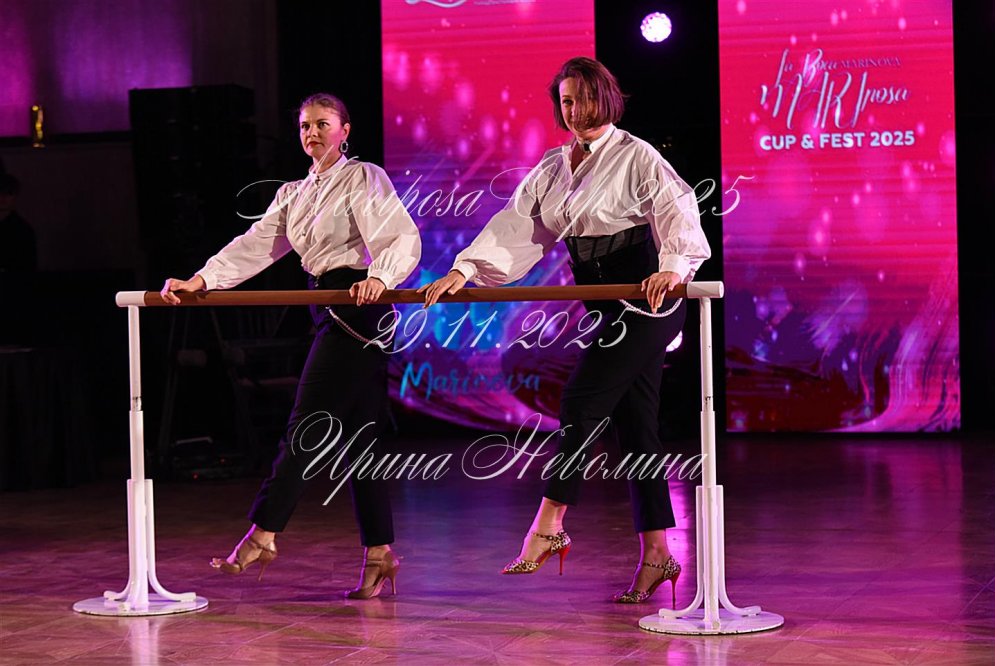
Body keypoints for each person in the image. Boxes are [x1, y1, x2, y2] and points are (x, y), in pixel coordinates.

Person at [419, 57, 710, 605]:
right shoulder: (553, 166)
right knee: (637, 431)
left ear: (606, 98)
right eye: (566, 101)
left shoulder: (636, 155)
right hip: (605, 307)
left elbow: (678, 211)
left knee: (580, 400)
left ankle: (549, 523)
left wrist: (673, 267)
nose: (574, 110)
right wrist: (465, 270)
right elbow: (517, 225)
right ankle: (657, 554)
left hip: (647, 301)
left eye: (583, 98)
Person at [161, 93, 421, 599]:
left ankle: (264, 532)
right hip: (325, 305)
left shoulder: (363, 177)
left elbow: (400, 237)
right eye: (305, 126)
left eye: (323, 124)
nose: (312, 133)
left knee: (307, 424)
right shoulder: (292, 194)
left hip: (358, 308)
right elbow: (255, 245)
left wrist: (380, 277)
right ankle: (380, 553)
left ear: (345, 130)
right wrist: (202, 279)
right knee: (360, 442)